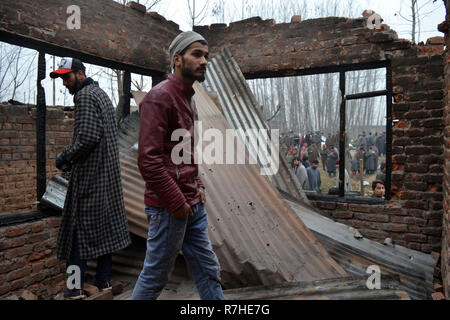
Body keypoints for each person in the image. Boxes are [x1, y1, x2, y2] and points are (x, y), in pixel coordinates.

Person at [131, 31, 224, 300]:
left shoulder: (190, 99)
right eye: (197, 54)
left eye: (206, 56)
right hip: (169, 207)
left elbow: (185, 152)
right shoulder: (160, 97)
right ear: (177, 59)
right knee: (156, 276)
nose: (204, 61)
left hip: (191, 203)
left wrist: (198, 186)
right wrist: (177, 202)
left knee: (209, 269)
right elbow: (149, 160)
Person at [50, 57, 132, 299]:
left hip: (91, 178)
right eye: (62, 78)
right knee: (104, 229)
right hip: (107, 177)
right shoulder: (102, 95)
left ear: (80, 74)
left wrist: (65, 155)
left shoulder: (85, 97)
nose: (65, 82)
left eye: (67, 77)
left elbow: (87, 138)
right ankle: (104, 281)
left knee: (77, 232)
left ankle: (74, 288)